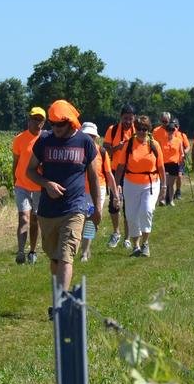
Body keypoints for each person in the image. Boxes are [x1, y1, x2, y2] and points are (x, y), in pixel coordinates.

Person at [26, 101, 101, 290]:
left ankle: (61, 301)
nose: (56, 128)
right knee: (55, 257)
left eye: (60, 124)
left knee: (66, 255)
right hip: (48, 210)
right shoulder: (44, 140)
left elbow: (93, 178)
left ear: (71, 122)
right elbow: (31, 171)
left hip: (74, 208)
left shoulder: (85, 142)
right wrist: (46, 183)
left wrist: (97, 208)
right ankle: (59, 292)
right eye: (53, 124)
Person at [112, 115, 165, 257]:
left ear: (149, 130)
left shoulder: (154, 145)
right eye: (139, 129)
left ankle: (145, 243)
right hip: (131, 183)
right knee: (131, 215)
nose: (142, 132)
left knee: (146, 211)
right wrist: (116, 185)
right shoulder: (129, 144)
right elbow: (120, 166)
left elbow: (160, 167)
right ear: (136, 129)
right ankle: (136, 246)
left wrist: (164, 186)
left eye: (145, 129)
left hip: (151, 183)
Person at [11, 106, 46, 265]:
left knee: (35, 220)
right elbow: (16, 162)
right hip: (22, 185)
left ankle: (32, 251)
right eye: (34, 119)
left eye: (40, 120)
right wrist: (14, 180)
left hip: (39, 186)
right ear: (29, 120)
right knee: (23, 217)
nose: (37, 123)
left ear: (44, 123)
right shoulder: (19, 139)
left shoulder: (46, 140)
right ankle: (20, 252)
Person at [103, 104, 137, 248]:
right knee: (114, 203)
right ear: (120, 117)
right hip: (115, 171)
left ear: (134, 118)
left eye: (130, 118)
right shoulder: (113, 130)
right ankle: (116, 232)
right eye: (125, 118)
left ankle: (127, 238)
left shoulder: (139, 131)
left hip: (131, 173)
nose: (128, 121)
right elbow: (105, 150)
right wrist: (118, 147)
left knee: (128, 206)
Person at [77, 122, 112, 262]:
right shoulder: (75, 151)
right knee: (80, 220)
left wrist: (115, 193)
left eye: (91, 136)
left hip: (96, 191)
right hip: (78, 191)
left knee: (91, 220)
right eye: (86, 136)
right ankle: (83, 247)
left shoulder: (101, 152)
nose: (88, 139)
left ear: (96, 138)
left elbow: (108, 174)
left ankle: (85, 251)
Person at [154, 118, 189, 206]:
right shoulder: (162, 140)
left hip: (174, 164)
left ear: (175, 130)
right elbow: (159, 152)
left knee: (171, 183)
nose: (171, 131)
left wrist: (182, 157)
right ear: (166, 131)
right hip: (164, 163)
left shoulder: (178, 141)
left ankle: (171, 200)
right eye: (169, 130)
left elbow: (181, 152)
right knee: (164, 182)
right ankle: (162, 199)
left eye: (172, 130)